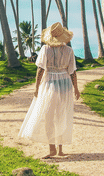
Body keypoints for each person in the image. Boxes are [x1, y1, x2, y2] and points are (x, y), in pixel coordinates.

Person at [18, 22, 80, 158]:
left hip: (50, 83)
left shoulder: (46, 49)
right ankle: (60, 149)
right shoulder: (69, 51)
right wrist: (76, 88)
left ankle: (52, 148)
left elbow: (40, 69)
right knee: (61, 115)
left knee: (49, 117)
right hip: (65, 83)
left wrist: (36, 87)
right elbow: (72, 72)